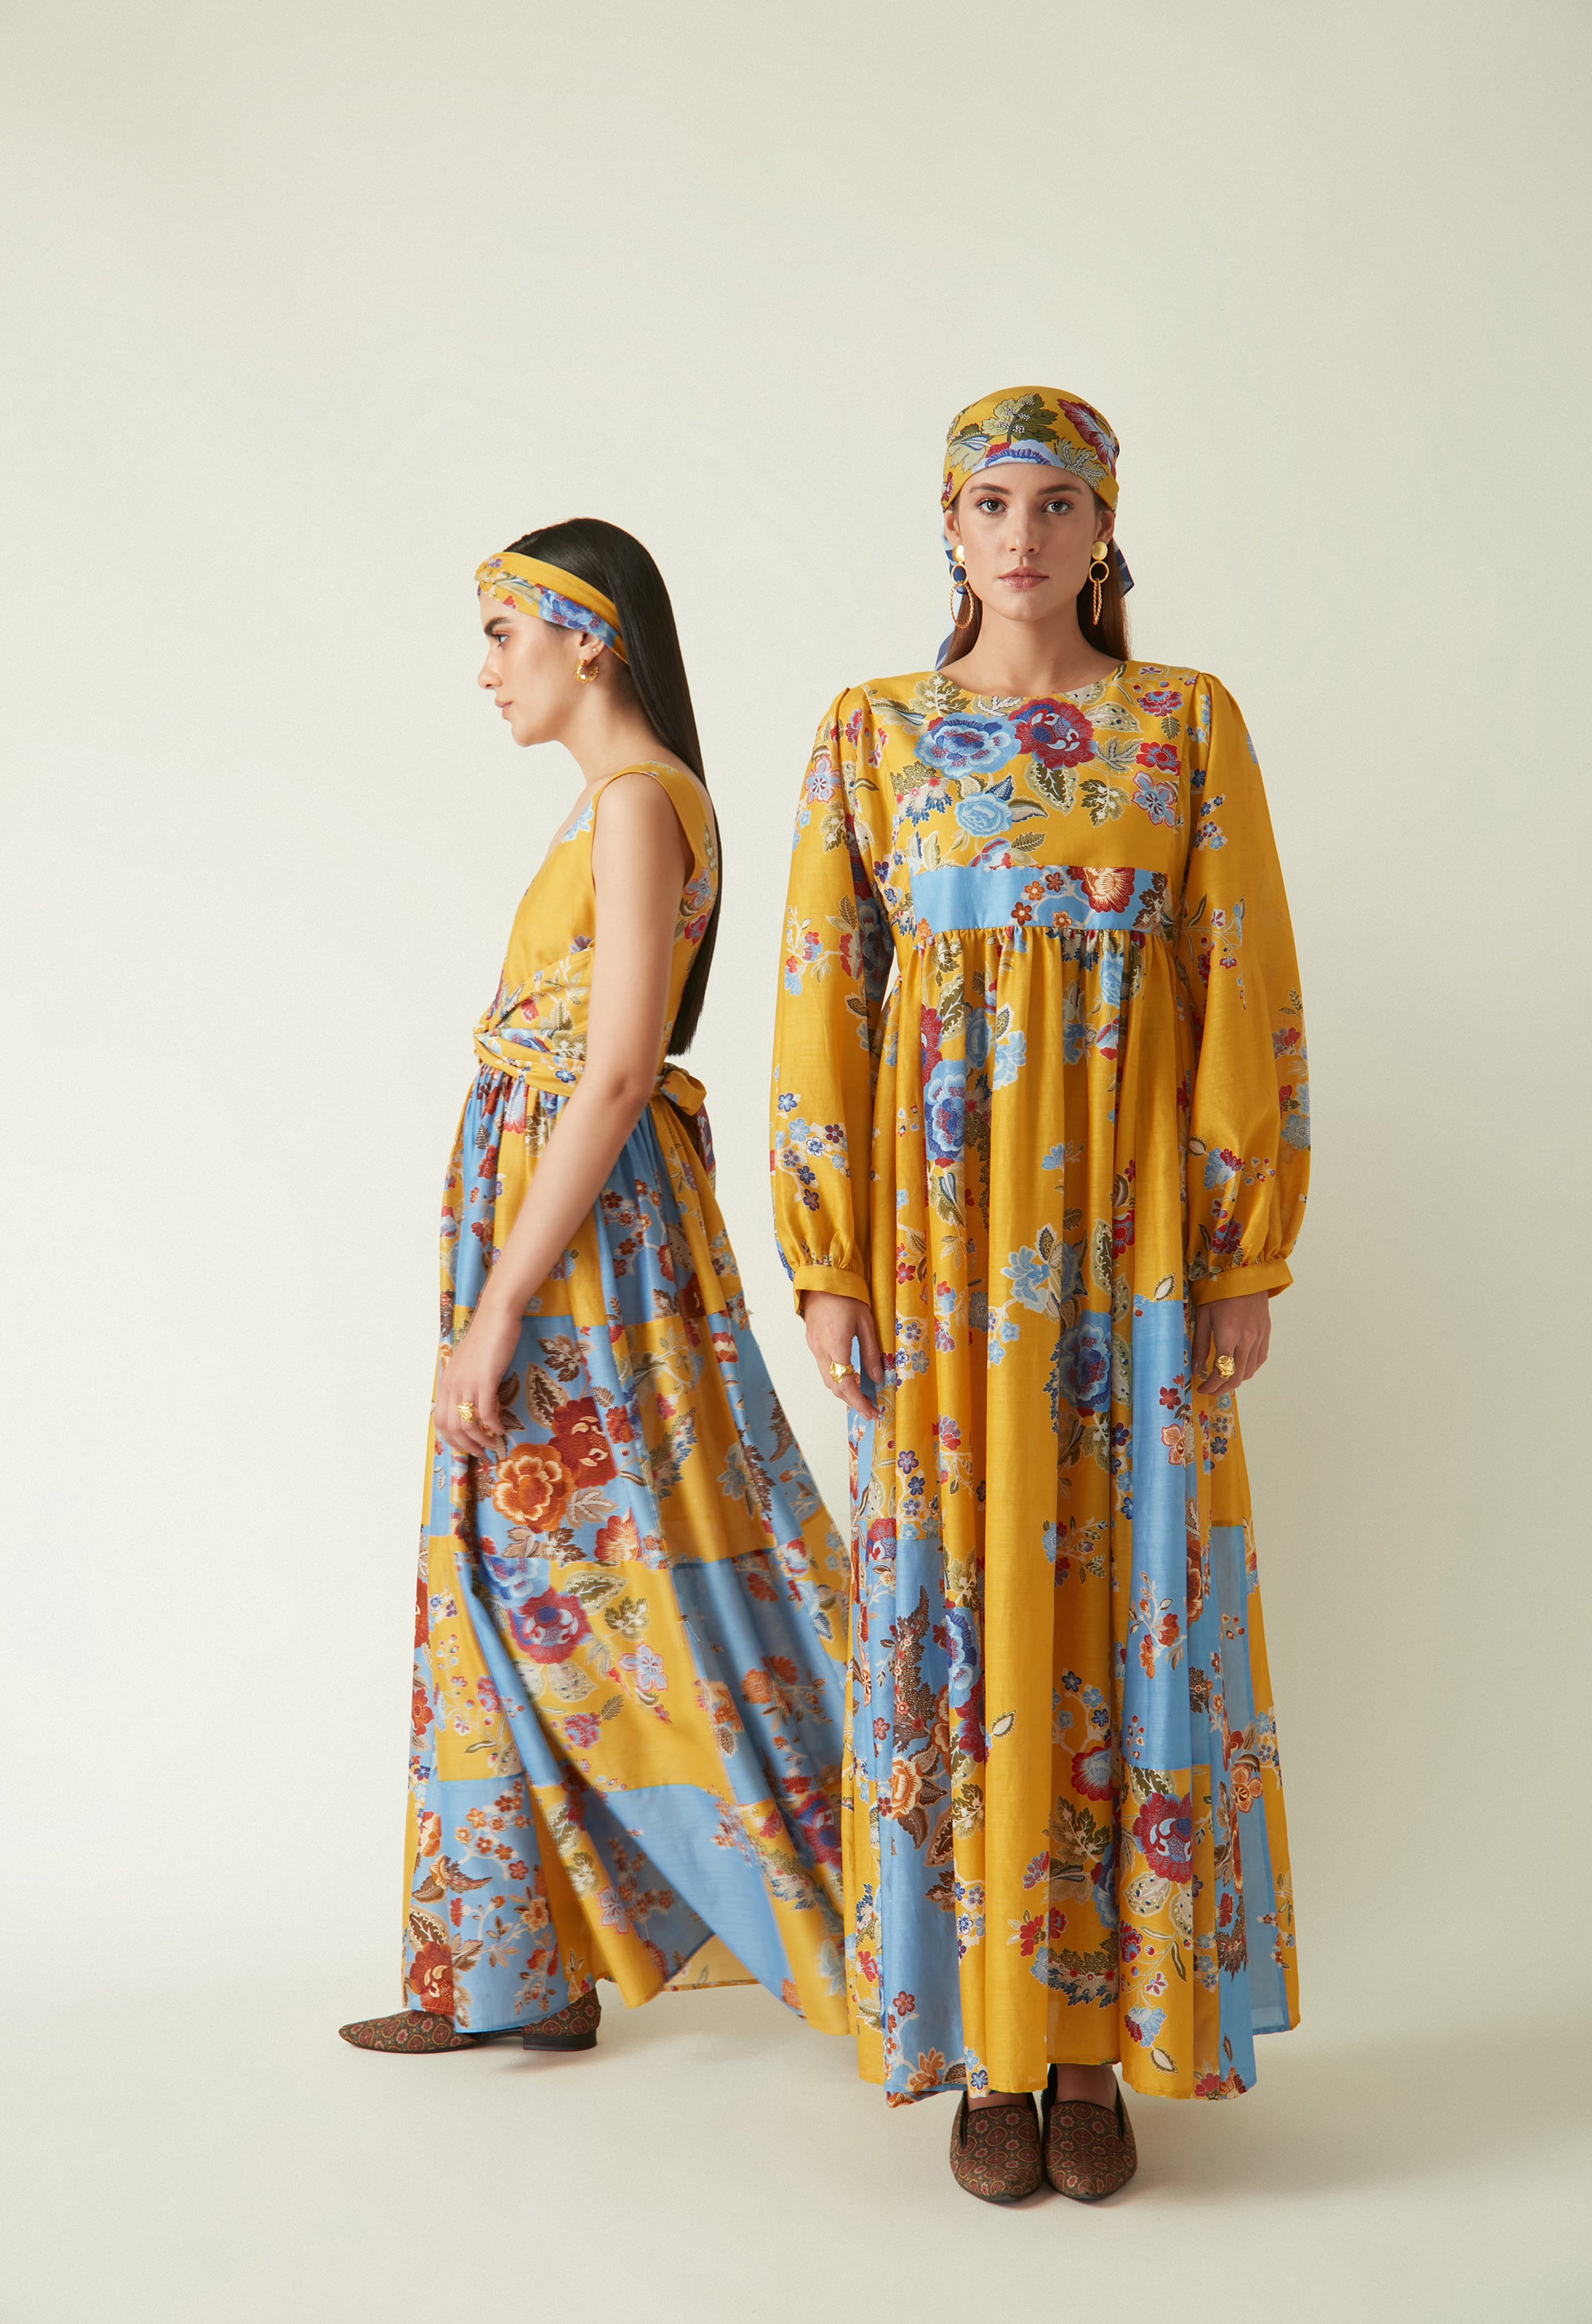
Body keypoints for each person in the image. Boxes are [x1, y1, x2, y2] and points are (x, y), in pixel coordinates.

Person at [770, 387, 1308, 2201]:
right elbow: (822, 996)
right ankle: (989, 2051)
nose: (1023, 536)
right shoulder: (873, 734)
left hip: (1137, 1251)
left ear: (1104, 529)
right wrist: (829, 1258)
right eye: (991, 503)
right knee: (960, 1603)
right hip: (940, 1256)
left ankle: (1098, 2051)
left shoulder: (1184, 725)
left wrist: (1241, 1246)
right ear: (949, 525)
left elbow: (1239, 973)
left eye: (1057, 504)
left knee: (1126, 1599)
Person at [341, 521, 849, 2057]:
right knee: (514, 1565)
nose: (487, 669)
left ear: (591, 638)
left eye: (505, 634)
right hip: (561, 1227)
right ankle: (521, 1964)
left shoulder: (636, 803)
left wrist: (502, 1306)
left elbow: (620, 1068)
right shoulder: (615, 802)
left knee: (651, 1569)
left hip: (585, 1248)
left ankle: (890, 1921)